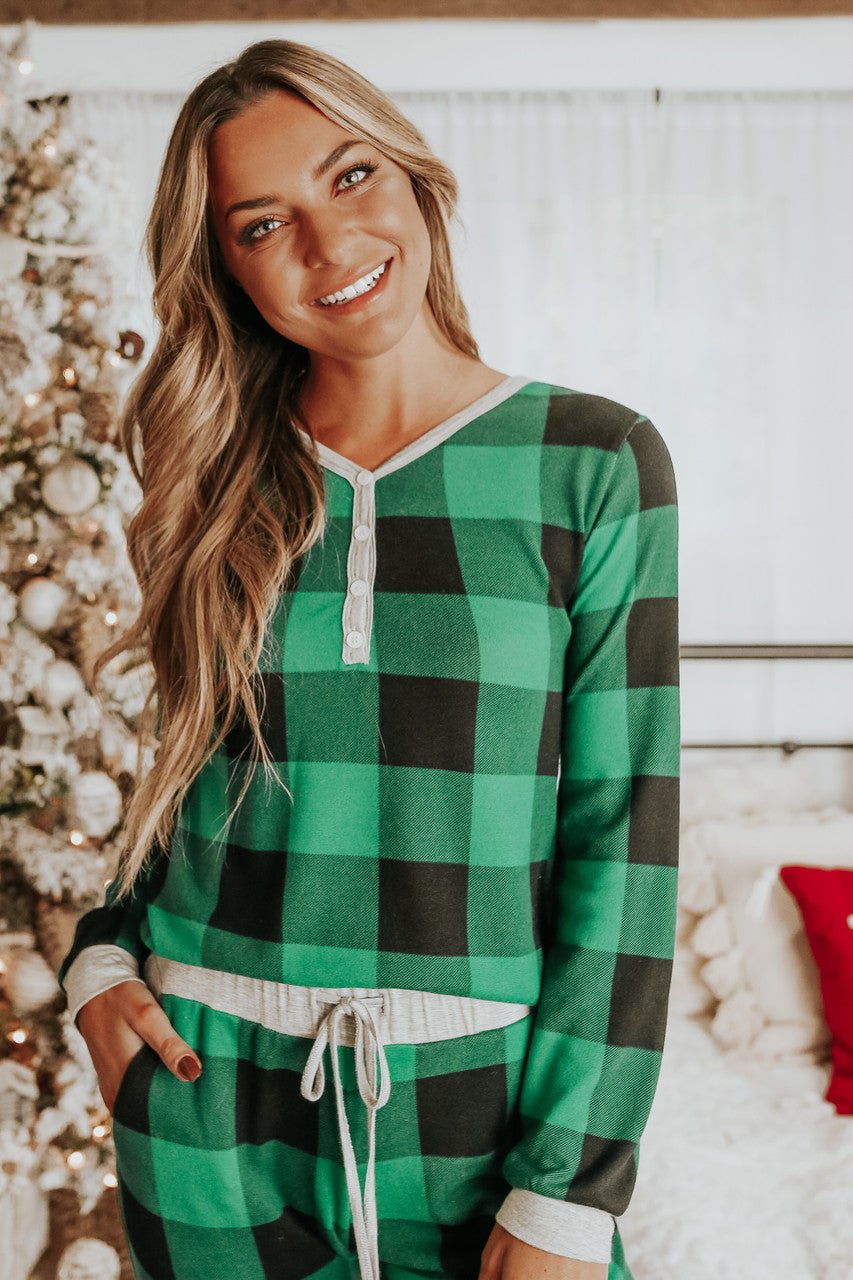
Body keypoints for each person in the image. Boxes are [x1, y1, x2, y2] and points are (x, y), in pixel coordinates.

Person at [57, 37, 681, 1280]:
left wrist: (569, 1189)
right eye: (260, 224)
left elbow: (628, 828)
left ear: (411, 179)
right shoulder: (206, 484)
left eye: (349, 178)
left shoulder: (595, 462)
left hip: (481, 1118)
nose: (329, 247)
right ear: (225, 270)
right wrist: (98, 961)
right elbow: (177, 788)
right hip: (204, 1097)